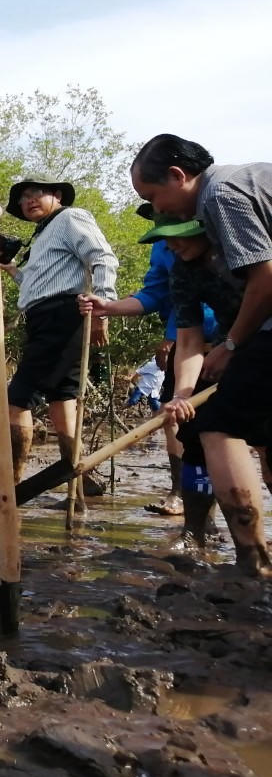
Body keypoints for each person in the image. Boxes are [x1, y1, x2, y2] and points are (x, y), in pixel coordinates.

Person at [132, 133, 272, 577]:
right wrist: (184, 394)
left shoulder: (221, 198)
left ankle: (253, 559)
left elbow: (265, 283)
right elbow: (190, 341)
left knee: (221, 426)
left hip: (252, 341)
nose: (170, 242)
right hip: (249, 344)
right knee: (204, 430)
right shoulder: (184, 272)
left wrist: (230, 346)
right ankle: (211, 534)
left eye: (158, 202)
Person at [78, 202, 219, 515]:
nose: (167, 235)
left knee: (237, 435)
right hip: (189, 344)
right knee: (180, 422)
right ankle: (183, 496)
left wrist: (231, 345)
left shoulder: (226, 241)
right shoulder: (166, 250)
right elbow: (157, 294)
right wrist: (109, 307)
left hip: (233, 344)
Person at [2, 177, 118, 490]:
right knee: (62, 400)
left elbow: (102, 257)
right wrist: (13, 270)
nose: (28, 201)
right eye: (23, 198)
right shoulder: (42, 235)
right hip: (46, 316)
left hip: (62, 315)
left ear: (56, 195)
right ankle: (79, 482)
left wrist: (103, 306)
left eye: (35, 194)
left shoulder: (69, 217)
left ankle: (10, 487)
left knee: (16, 400)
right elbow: (38, 286)